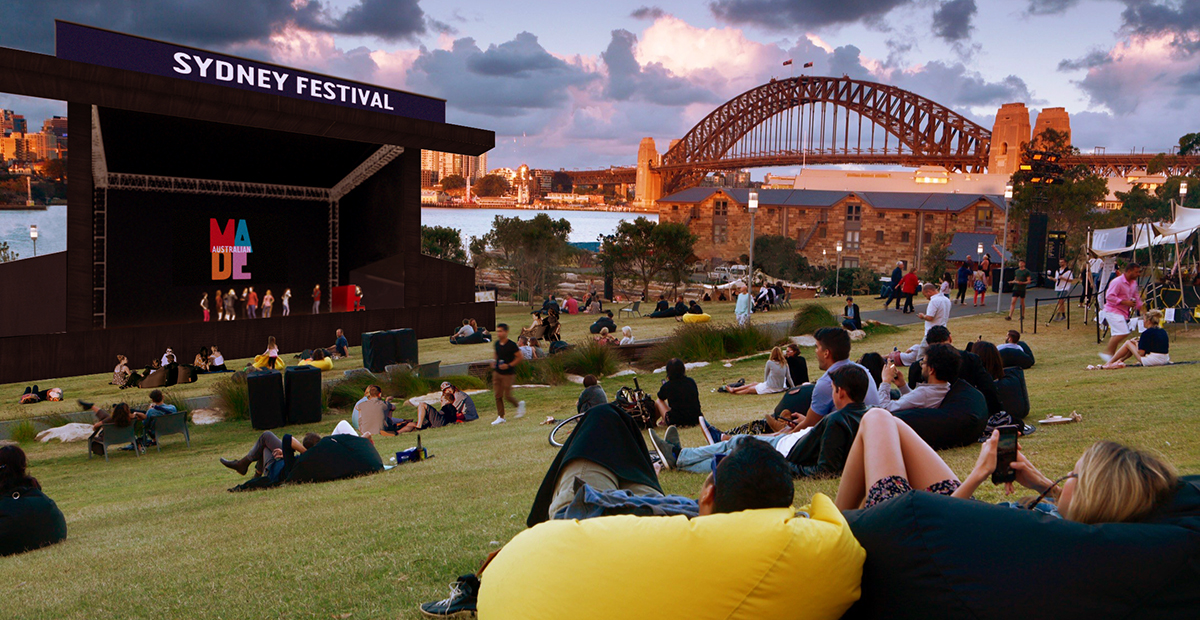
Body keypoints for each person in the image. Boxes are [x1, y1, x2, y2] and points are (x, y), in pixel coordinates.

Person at [419, 415, 794, 617]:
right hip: (651, 509)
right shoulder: (769, 552)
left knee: (602, 421)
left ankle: (625, 433)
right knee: (618, 433)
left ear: (709, 491)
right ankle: (641, 451)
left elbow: (598, 506)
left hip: (585, 516)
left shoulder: (685, 535)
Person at [833, 408, 1179, 524]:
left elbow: (929, 528)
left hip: (915, 521)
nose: (1066, 480)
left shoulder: (1049, 540)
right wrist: (1042, 483)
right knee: (882, 419)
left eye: (1074, 476)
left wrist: (978, 475)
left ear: (1095, 501)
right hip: (963, 510)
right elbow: (1081, 509)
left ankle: (835, 527)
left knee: (876, 420)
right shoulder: (1088, 521)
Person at [654, 365, 871, 480]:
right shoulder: (867, 413)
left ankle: (676, 456)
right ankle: (678, 456)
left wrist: (783, 465)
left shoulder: (837, 421)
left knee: (735, 453)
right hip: (791, 442)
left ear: (840, 392)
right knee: (737, 442)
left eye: (832, 390)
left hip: (787, 452)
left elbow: (826, 470)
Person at [792, 327, 881, 432]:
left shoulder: (827, 382)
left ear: (826, 353)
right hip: (871, 430)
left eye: (817, 347)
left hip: (847, 439)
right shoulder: (863, 371)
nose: (815, 352)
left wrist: (783, 436)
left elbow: (809, 425)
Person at [876, 343, 958, 412]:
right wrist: (903, 386)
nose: (921, 366)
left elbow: (884, 408)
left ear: (931, 370)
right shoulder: (946, 387)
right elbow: (914, 401)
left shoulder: (924, 393)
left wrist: (886, 381)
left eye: (924, 362)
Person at [220, 431, 322, 480]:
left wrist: (304, 452)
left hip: (273, 469)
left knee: (266, 438)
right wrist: (285, 455)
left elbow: (289, 439)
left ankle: (243, 465)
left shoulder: (307, 458)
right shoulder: (307, 459)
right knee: (265, 442)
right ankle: (255, 473)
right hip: (282, 463)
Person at [1100, 262, 1145, 363]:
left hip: (1123, 312)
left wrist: (1143, 310)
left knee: (1117, 333)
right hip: (1112, 310)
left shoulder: (1133, 283)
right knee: (1123, 332)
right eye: (1136, 272)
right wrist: (1125, 302)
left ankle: (1110, 357)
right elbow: (1109, 296)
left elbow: (1136, 297)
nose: (1138, 274)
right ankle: (1108, 354)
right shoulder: (1117, 282)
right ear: (1129, 271)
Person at [1100, 309, 1170, 369]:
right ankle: (1120, 360)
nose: (1143, 322)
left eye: (1144, 320)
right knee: (1131, 344)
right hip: (1165, 359)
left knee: (1128, 342)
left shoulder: (1146, 333)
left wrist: (1136, 344)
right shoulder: (1162, 331)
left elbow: (1141, 353)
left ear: (1148, 321)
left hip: (1153, 361)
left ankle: (1109, 363)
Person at [722, 347, 794, 395]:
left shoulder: (770, 362)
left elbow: (766, 375)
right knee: (754, 383)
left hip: (771, 387)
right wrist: (793, 387)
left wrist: (765, 384)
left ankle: (734, 391)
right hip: (780, 387)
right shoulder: (784, 363)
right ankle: (734, 389)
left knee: (749, 390)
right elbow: (789, 377)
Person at [654, 358, 702, 427]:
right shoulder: (691, 381)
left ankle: (654, 423)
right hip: (696, 418)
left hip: (677, 421)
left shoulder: (668, 386)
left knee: (658, 401)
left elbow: (660, 396)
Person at [491, 324, 524, 425]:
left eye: (500, 331)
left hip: (508, 374)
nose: (498, 333)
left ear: (506, 332)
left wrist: (509, 365)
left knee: (508, 396)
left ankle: (519, 405)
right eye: (497, 331)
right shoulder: (497, 344)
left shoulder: (511, 345)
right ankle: (501, 417)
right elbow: (496, 354)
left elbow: (519, 357)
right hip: (497, 372)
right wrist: (494, 362)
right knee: (497, 395)